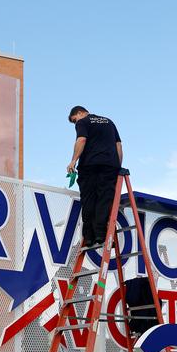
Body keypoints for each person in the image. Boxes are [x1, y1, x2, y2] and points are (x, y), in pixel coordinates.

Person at [66, 106, 123, 247]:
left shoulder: (83, 122)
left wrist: (73, 160)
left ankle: (89, 237)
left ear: (79, 113)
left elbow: (81, 140)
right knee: (104, 199)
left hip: (89, 166)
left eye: (74, 120)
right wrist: (118, 166)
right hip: (109, 166)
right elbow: (119, 146)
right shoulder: (109, 122)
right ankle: (100, 235)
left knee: (88, 198)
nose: (75, 123)